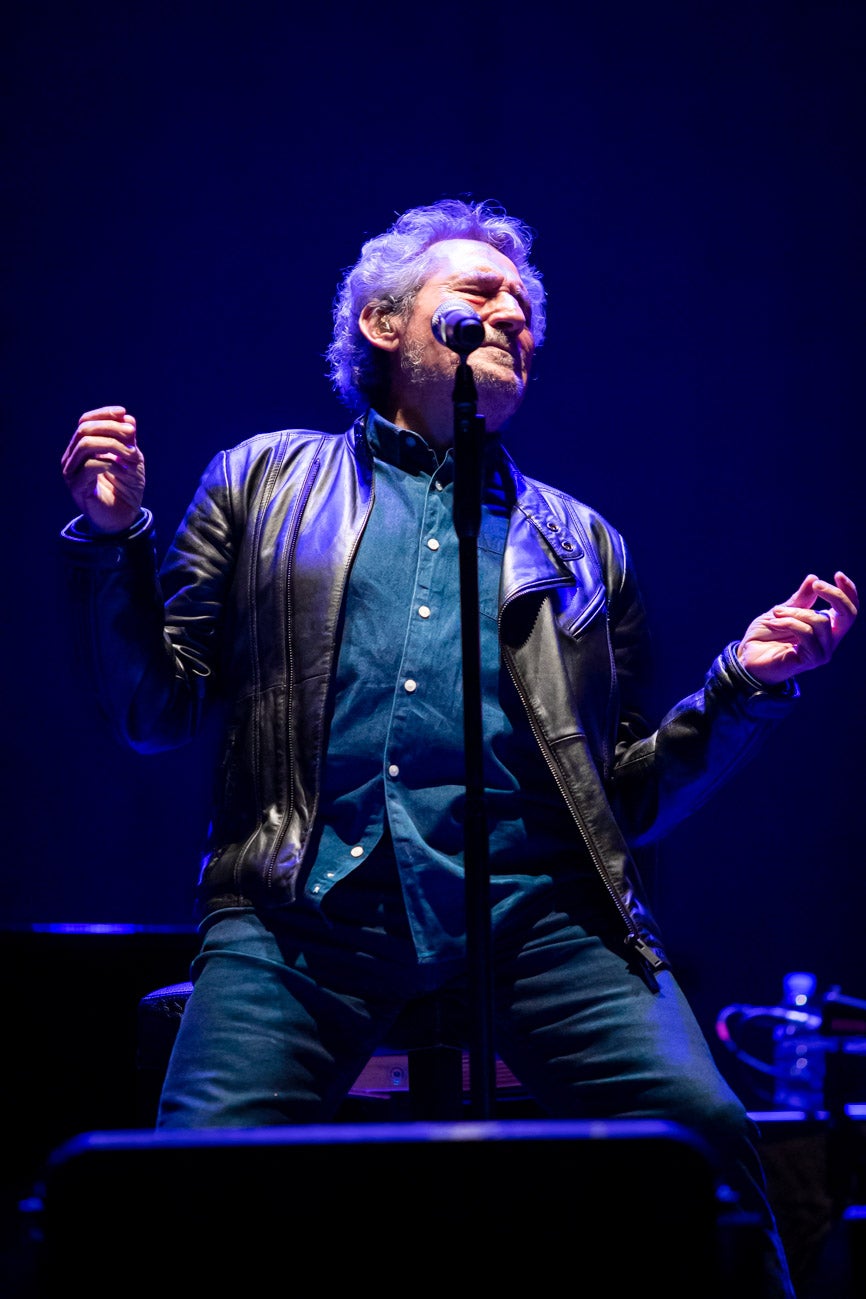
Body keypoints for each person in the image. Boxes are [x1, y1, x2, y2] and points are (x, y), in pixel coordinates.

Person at [60, 198, 857, 1297]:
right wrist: (113, 546)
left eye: (524, 307)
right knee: (194, 1179)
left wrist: (741, 688)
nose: (509, 313)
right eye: (477, 292)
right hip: (304, 919)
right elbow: (154, 712)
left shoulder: (580, 544)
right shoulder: (261, 481)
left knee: (705, 1138)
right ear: (384, 324)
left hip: (540, 926)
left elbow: (618, 795)